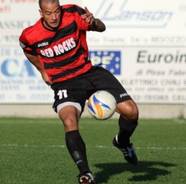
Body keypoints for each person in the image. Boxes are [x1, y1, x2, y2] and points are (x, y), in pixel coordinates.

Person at [19, 0, 139, 183]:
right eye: (49, 13)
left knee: (131, 112)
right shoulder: (31, 35)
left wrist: (93, 22)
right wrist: (42, 70)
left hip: (89, 73)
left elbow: (101, 27)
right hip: (64, 83)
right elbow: (28, 50)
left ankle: (122, 141)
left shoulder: (73, 13)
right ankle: (85, 172)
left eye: (57, 11)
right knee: (69, 120)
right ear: (40, 12)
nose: (54, 17)